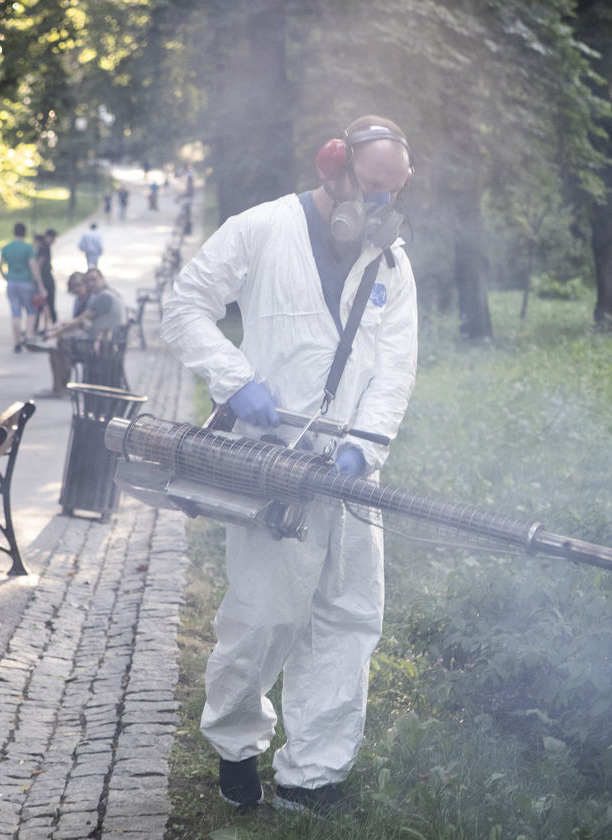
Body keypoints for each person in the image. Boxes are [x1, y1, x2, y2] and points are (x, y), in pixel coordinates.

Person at [159, 115, 418, 813]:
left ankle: (314, 773)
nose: (378, 208)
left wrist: (366, 443)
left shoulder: (390, 262)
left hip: (351, 470)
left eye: (391, 194)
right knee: (265, 614)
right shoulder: (261, 229)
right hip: (269, 462)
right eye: (369, 189)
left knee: (347, 615)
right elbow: (184, 307)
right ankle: (237, 745)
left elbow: (396, 367)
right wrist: (236, 378)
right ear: (333, 167)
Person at [0, 221, 41, 353]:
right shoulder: (28, 248)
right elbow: (34, 267)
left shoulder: (6, 248)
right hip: (26, 282)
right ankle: (29, 335)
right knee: (31, 310)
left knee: (15, 313)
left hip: (11, 283)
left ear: (14, 232)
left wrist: (5, 277)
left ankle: (16, 342)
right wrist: (40, 284)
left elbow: (0, 265)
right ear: (25, 232)